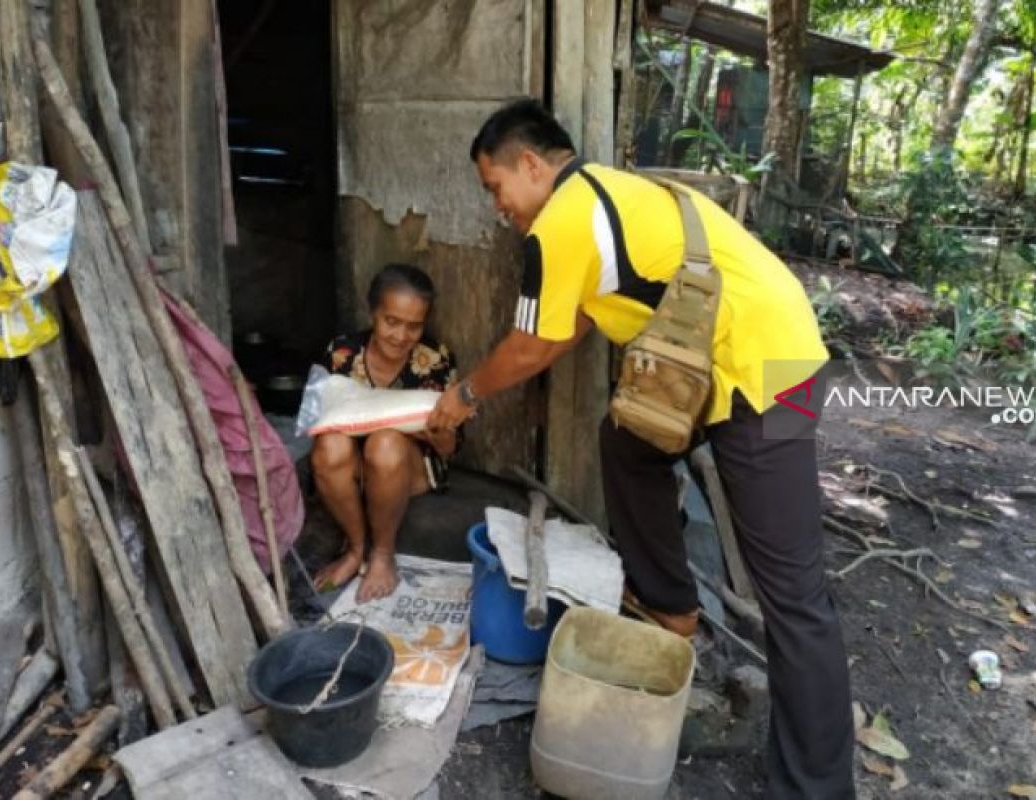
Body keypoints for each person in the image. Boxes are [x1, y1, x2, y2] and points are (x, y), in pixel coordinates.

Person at [427, 99, 855, 798]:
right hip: (770, 353)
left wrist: (463, 396)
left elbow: (534, 345)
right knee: (625, 440)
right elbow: (564, 331)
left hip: (774, 376)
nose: (497, 206)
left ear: (531, 165)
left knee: (795, 597)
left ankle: (816, 789)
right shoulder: (613, 193)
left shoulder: (563, 222)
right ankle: (670, 605)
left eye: (494, 187)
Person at [312, 264, 459, 602]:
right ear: (373, 313)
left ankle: (382, 554)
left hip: (406, 465)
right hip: (353, 463)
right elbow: (323, 419)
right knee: (330, 444)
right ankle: (356, 548)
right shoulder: (342, 353)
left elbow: (449, 450)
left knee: (385, 442)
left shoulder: (434, 359)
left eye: (414, 326)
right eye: (391, 321)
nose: (400, 336)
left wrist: (435, 432)